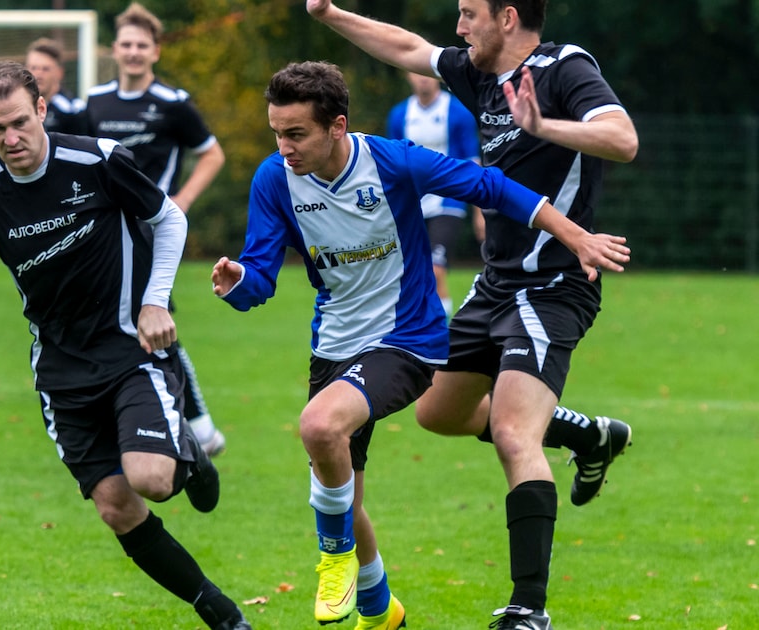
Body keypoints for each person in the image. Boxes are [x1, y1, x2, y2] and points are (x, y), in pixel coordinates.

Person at [210, 61, 629, 630]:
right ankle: (381, 610)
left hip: (406, 338)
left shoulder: (391, 161)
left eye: (296, 134)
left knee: (320, 426)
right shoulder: (273, 179)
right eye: (277, 133)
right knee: (346, 498)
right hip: (333, 344)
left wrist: (574, 234)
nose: (284, 147)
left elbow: (489, 185)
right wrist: (239, 282)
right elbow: (260, 274)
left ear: (337, 126)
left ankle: (332, 559)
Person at [305, 1, 640, 627]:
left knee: (513, 433)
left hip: (554, 286)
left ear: (507, 17)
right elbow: (408, 48)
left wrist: (546, 126)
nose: (459, 27)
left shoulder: (566, 67)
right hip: (494, 285)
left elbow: (623, 140)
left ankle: (528, 608)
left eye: (468, 13)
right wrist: (328, 13)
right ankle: (586, 435)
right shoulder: (478, 73)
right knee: (438, 412)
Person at [0, 60, 250, 630]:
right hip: (60, 370)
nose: (10, 139)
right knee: (117, 507)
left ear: (42, 109)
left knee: (151, 479)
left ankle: (186, 452)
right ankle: (221, 613)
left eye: (19, 122)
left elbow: (169, 221)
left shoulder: (99, 160)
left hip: (129, 350)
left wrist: (155, 301)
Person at [86, 2, 228, 456]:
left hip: (150, 232)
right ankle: (169, 421)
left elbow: (212, 154)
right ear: (114, 49)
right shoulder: (94, 101)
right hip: (103, 234)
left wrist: (180, 202)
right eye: (126, 44)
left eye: (141, 45)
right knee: (124, 321)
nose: (133, 52)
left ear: (156, 51)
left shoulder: (172, 103)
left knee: (152, 319)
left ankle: (198, 425)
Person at [385, 71, 481, 316]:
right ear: (407, 76)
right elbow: (391, 165)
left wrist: (480, 213)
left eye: (426, 73)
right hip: (413, 202)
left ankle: (442, 327)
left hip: (448, 201)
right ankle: (420, 325)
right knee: (411, 272)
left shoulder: (457, 112)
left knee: (436, 269)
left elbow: (473, 162)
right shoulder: (399, 115)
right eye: (416, 73)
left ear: (437, 75)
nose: (423, 78)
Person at [25, 37, 90, 135]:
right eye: (33, 68)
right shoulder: (19, 107)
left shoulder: (74, 109)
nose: (38, 74)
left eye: (45, 69)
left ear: (59, 73)